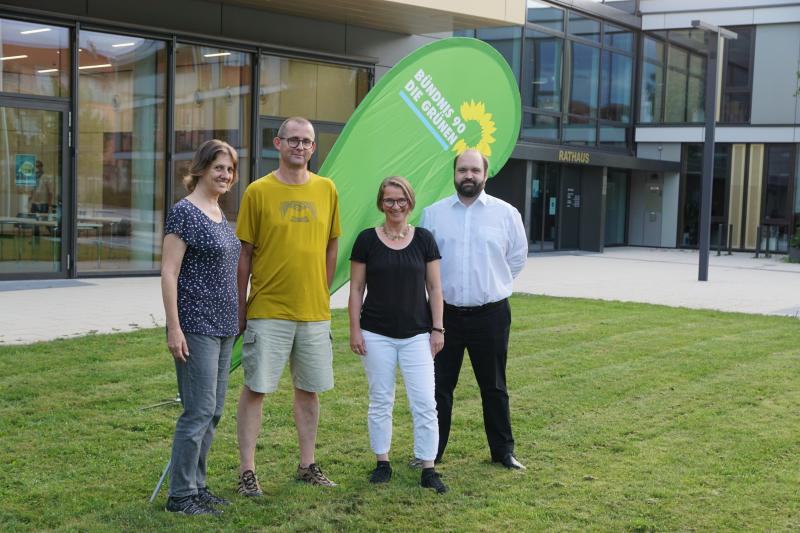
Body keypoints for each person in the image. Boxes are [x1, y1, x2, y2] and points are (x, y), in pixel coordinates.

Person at [235, 116, 340, 496]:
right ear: (277, 144)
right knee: (256, 388)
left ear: (314, 148)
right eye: (292, 140)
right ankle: (247, 471)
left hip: (313, 311)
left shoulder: (327, 190)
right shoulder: (258, 192)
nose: (299, 146)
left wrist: (321, 290)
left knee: (308, 390)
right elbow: (244, 254)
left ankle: (307, 464)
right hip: (268, 308)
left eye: (306, 141)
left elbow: (332, 245)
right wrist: (241, 307)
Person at [420, 148, 528, 470]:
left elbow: (517, 258)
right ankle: (432, 453)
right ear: (454, 174)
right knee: (439, 387)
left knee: (494, 386)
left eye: (475, 170)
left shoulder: (506, 214)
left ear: (485, 174)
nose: (469, 175)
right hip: (445, 316)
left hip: (491, 314)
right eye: (462, 170)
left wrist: (492, 283)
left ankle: (503, 452)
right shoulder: (433, 215)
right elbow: (427, 265)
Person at [349, 176, 449, 494]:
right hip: (376, 333)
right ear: (381, 203)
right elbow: (356, 289)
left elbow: (435, 288)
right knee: (381, 400)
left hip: (417, 334)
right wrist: (354, 329)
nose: (396, 206)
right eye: (390, 200)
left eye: (401, 199)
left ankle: (428, 467)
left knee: (424, 402)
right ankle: (383, 463)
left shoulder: (424, 239)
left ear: (410, 202)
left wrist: (438, 328)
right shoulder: (366, 240)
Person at [161, 139, 241, 515]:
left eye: (230, 169)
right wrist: (173, 328)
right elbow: (169, 272)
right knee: (198, 410)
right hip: (195, 324)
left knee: (215, 411)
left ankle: (197, 486)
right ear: (202, 169)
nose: (225, 175)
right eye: (219, 168)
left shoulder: (219, 212)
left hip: (225, 325)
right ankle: (180, 496)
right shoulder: (185, 212)